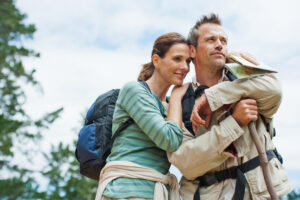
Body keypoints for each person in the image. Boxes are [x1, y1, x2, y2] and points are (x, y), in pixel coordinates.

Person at [167, 14, 291, 200]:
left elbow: (276, 90)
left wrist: (214, 98)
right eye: (211, 40)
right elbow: (185, 161)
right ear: (192, 50)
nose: (219, 45)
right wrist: (235, 122)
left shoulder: (249, 81)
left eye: (224, 40)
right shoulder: (179, 101)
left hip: (261, 194)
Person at [95, 32, 191, 200]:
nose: (185, 67)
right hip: (125, 191)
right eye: (177, 59)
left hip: (155, 192)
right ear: (156, 60)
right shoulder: (134, 91)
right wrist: (176, 97)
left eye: (188, 61)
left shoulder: (171, 106)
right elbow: (169, 140)